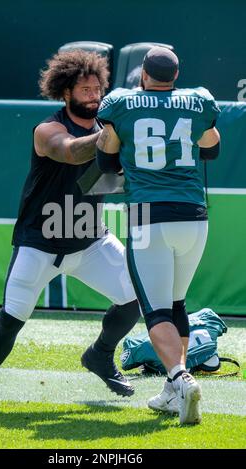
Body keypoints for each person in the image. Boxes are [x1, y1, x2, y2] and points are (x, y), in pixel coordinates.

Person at [0, 50, 141, 409]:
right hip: (40, 242)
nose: (93, 95)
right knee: (11, 319)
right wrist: (112, 136)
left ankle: (100, 355)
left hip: (89, 240)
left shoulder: (107, 128)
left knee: (136, 295)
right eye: (84, 89)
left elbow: (110, 179)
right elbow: (70, 152)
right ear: (65, 92)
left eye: (96, 88)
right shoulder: (48, 129)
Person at [96, 46, 221, 425]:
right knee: (178, 304)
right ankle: (172, 390)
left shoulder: (121, 102)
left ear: (143, 75)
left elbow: (107, 158)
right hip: (194, 217)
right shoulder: (197, 101)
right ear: (176, 76)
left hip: (150, 215)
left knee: (157, 311)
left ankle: (180, 379)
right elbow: (211, 149)